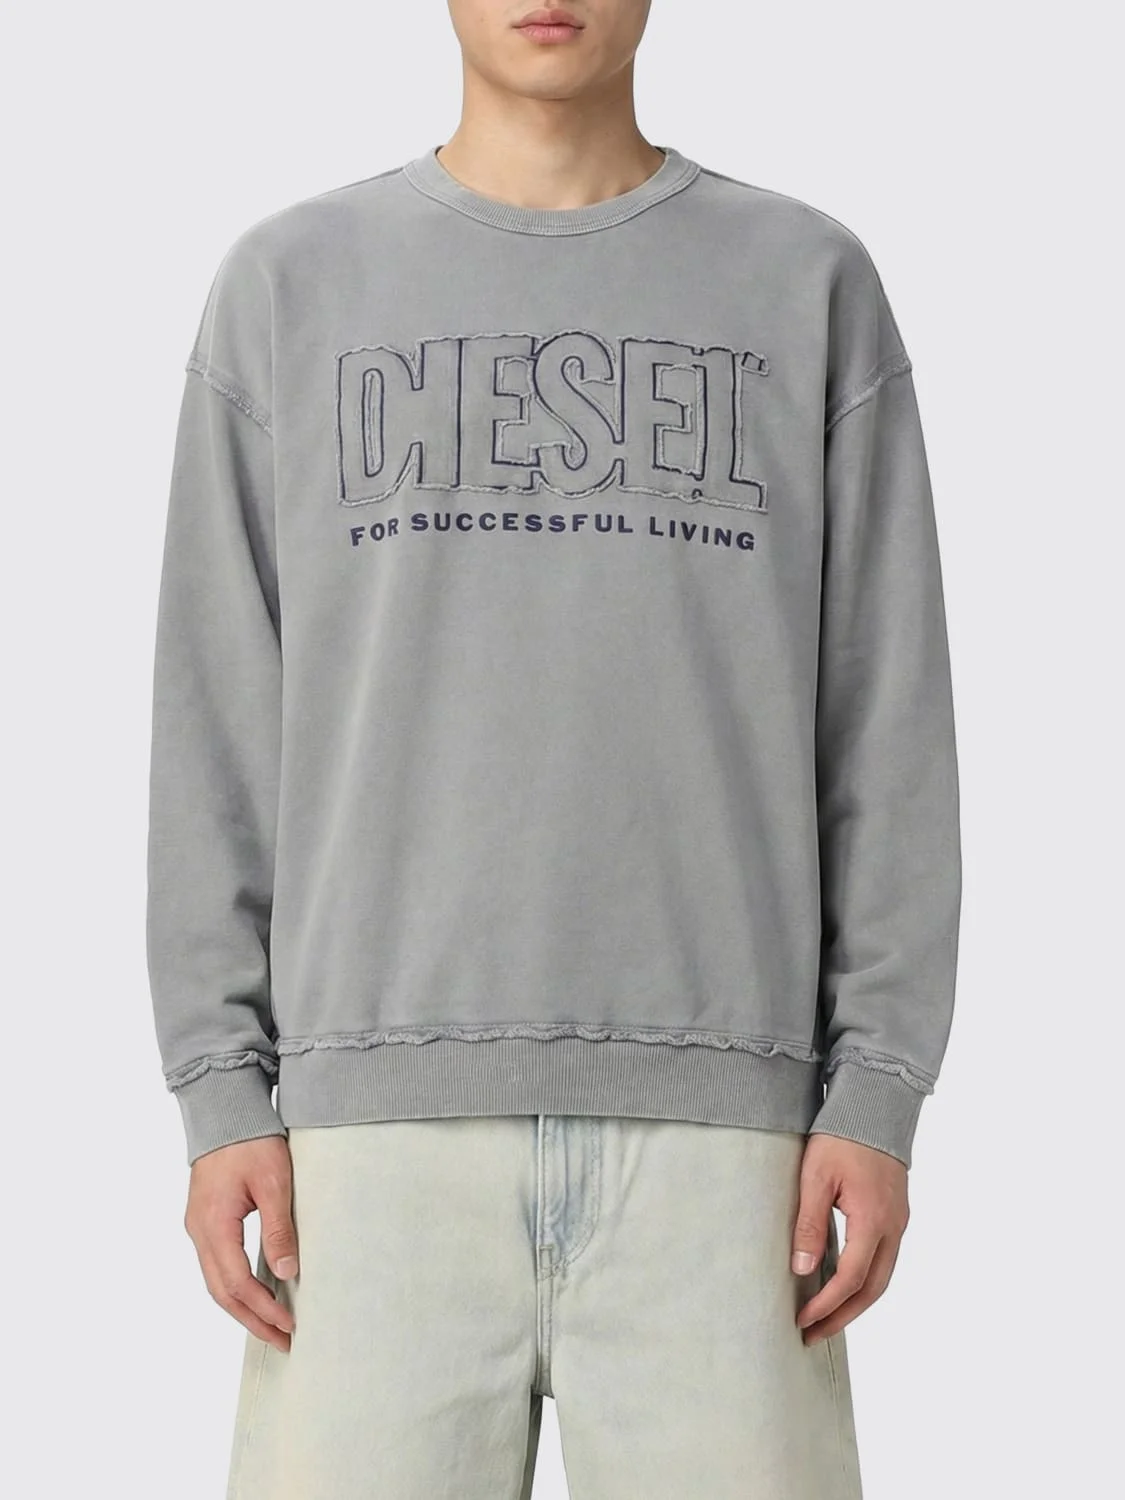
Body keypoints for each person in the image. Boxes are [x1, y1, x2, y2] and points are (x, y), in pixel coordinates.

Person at [145, 2, 961, 1495]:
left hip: (736, 1154)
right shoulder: (290, 285)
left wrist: (878, 1090)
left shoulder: (806, 283)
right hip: (359, 1156)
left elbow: (885, 715)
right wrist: (217, 1089)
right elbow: (217, 716)